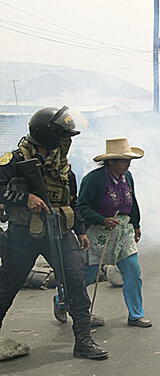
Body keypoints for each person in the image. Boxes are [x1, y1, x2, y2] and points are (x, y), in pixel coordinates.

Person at [0, 106, 109, 360]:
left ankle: (83, 341)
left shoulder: (64, 168)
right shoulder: (13, 161)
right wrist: (24, 198)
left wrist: (80, 231)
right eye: (64, 136)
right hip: (23, 236)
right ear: (48, 136)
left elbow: (71, 201)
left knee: (76, 285)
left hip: (59, 234)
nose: (67, 142)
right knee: (6, 288)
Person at [72, 137, 152, 328]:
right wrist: (102, 219)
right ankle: (63, 300)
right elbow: (81, 207)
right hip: (99, 231)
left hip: (123, 230)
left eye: (129, 160)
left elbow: (132, 202)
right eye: (124, 160)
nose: (128, 164)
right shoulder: (93, 180)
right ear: (111, 161)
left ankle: (135, 314)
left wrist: (136, 224)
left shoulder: (128, 177)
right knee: (89, 275)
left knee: (133, 270)